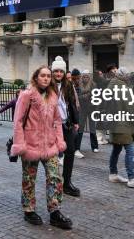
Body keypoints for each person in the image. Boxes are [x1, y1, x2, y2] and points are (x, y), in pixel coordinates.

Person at [11, 65, 73, 230]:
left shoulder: (53, 95)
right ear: (36, 77)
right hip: (30, 145)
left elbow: (57, 121)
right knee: (29, 179)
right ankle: (28, 209)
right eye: (42, 75)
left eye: (48, 76)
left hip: (50, 145)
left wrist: (60, 141)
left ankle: (55, 212)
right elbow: (18, 121)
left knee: (55, 177)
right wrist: (20, 145)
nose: (46, 78)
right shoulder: (26, 95)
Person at [106, 68, 134, 189]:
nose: (129, 77)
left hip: (113, 123)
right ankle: (131, 178)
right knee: (129, 150)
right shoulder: (124, 88)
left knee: (116, 148)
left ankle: (113, 173)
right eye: (128, 76)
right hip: (123, 123)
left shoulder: (111, 85)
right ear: (124, 77)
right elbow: (131, 108)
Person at [51, 56, 80, 197]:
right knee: (53, 155)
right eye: (56, 71)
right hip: (52, 126)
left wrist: (75, 121)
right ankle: (55, 182)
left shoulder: (68, 85)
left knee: (70, 151)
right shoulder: (48, 85)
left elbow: (72, 103)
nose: (58, 74)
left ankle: (67, 182)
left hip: (66, 123)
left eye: (60, 71)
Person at [74, 70, 99, 156]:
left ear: (89, 77)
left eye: (87, 76)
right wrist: (87, 95)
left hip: (91, 108)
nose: (85, 78)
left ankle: (95, 146)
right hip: (82, 109)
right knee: (80, 128)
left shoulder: (93, 84)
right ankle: (77, 147)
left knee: (92, 127)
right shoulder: (78, 85)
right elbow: (77, 97)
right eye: (84, 76)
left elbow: (96, 95)